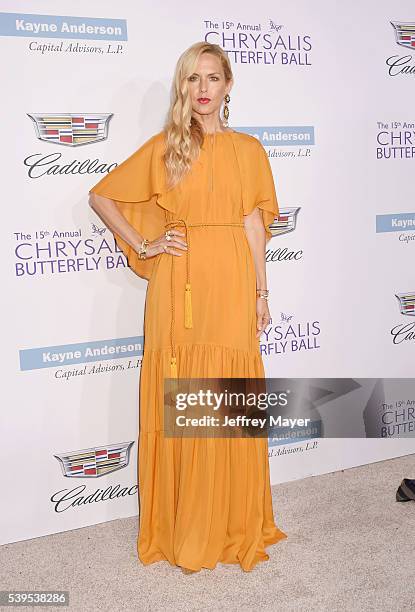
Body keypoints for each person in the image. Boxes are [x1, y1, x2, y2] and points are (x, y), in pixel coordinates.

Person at [88, 41, 287, 573]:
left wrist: (262, 292)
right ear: (183, 87)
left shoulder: (250, 149)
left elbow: (253, 225)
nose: (203, 89)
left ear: (228, 86)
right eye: (193, 79)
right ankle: (186, 524)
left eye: (213, 79)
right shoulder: (166, 147)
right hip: (180, 287)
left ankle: (231, 520)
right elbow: (102, 197)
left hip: (232, 280)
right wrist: (144, 242)